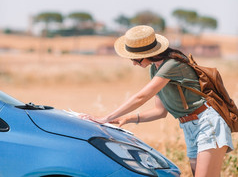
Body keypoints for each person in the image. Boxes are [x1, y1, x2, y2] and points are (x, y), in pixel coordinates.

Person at [80, 25, 233, 177]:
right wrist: (127, 118)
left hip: (207, 123)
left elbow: (142, 96)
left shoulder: (172, 65)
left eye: (135, 59)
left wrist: (106, 118)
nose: (133, 63)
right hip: (189, 127)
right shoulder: (155, 69)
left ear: (148, 54)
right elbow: (159, 112)